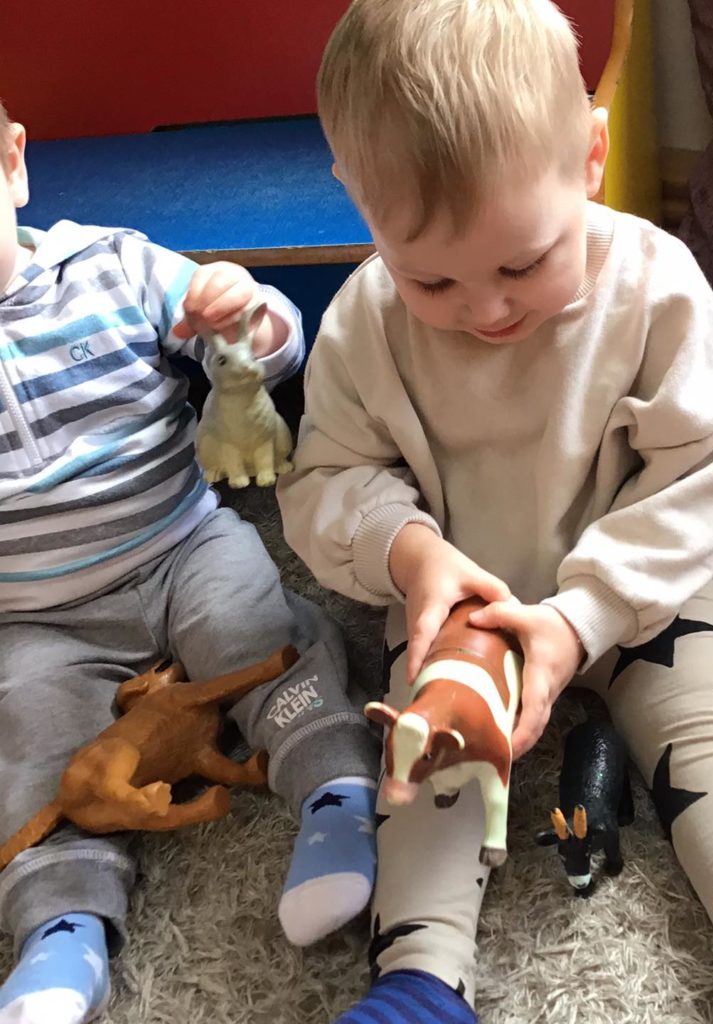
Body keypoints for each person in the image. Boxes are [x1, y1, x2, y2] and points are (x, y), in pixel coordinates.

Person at [278, 1, 713, 1022]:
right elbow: (326, 478)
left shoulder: (655, 287)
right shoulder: (366, 320)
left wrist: (587, 613)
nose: (487, 308)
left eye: (521, 263)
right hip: (468, 609)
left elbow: (699, 473)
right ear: (358, 204)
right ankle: (418, 982)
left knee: (707, 735)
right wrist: (409, 554)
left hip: (641, 588)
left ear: (590, 159)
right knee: (427, 765)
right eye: (432, 278)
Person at [0, 101, 381, 1024]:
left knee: (253, 629)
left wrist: (243, 316)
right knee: (32, 730)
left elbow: (269, 351)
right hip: (35, 613)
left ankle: (336, 795)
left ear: (12, 164)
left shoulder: (111, 265)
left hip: (180, 542)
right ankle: (61, 929)